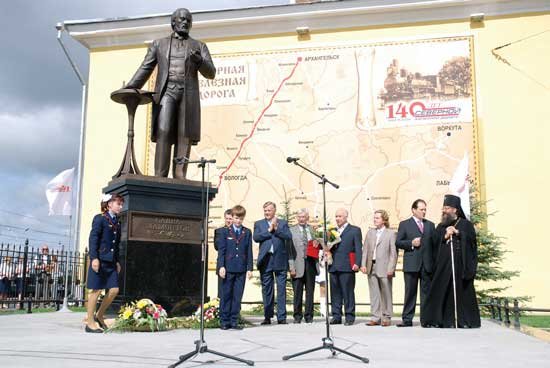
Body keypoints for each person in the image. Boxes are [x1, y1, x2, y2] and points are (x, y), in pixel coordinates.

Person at [125, 8, 216, 179]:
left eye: (188, 20)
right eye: (181, 19)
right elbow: (146, 67)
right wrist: (131, 87)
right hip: (166, 91)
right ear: (173, 22)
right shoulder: (159, 44)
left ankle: (180, 174)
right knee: (164, 129)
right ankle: (160, 175)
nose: (185, 23)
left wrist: (200, 61)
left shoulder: (199, 46)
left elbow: (211, 73)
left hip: (187, 93)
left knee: (184, 133)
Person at [421, 194, 480, 328]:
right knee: (441, 292)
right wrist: (445, 235)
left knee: (462, 293)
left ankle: (463, 320)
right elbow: (434, 241)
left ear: (455, 209)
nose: (444, 210)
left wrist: (458, 233)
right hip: (443, 267)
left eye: (447, 208)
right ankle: (439, 320)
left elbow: (471, 241)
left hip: (460, 267)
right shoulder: (441, 226)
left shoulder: (466, 224)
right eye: (443, 208)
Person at [85, 193, 124, 333]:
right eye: (118, 203)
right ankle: (89, 322)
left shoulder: (118, 222)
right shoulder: (100, 219)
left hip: (111, 262)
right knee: (95, 290)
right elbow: (93, 239)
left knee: (114, 290)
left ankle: (99, 315)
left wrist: (118, 261)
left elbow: (117, 243)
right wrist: (94, 257)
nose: (121, 206)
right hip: (100, 260)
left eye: (121, 204)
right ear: (109, 204)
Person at [395, 199, 436, 327]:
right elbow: (398, 242)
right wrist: (411, 243)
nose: (424, 211)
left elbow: (434, 244)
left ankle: (426, 320)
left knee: (426, 294)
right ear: (413, 210)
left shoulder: (430, 225)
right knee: (410, 293)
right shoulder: (404, 224)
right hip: (412, 264)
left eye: (425, 209)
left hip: (427, 264)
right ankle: (407, 319)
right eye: (421, 209)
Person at [253, 201, 292, 325]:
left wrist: (276, 229)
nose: (267, 213)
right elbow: (256, 237)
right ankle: (267, 316)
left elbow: (288, 236)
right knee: (267, 290)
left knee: (281, 289)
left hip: (280, 259)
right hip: (266, 260)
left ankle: (281, 317)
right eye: (265, 211)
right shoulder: (259, 223)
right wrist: (269, 231)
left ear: (274, 210)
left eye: (269, 210)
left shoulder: (283, 223)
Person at [216, 205, 253, 330]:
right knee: (226, 295)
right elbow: (222, 251)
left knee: (237, 296)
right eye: (236, 218)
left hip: (241, 268)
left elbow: (249, 251)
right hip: (228, 268)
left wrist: (249, 268)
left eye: (240, 218)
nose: (238, 221)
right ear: (232, 217)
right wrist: (221, 266)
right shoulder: (225, 232)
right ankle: (224, 320)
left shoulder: (247, 232)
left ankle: (234, 320)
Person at [361, 210, 397, 327]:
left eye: (377, 218)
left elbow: (393, 253)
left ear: (384, 220)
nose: (375, 220)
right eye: (374, 217)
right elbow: (365, 250)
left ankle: (386, 317)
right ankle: (375, 317)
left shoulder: (391, 233)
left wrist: (391, 268)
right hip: (372, 266)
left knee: (386, 293)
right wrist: (363, 265)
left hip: (385, 267)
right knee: (374, 293)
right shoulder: (370, 233)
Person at [329, 208, 362, 326]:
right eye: (336, 216)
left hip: (347, 266)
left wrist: (357, 263)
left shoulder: (354, 230)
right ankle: (336, 316)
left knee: (348, 293)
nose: (337, 219)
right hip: (333, 266)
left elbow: (358, 248)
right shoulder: (332, 231)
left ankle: (349, 316)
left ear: (346, 217)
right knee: (335, 293)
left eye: (340, 216)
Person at [289, 209, 319, 323]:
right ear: (297, 218)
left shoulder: (312, 230)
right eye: (299, 217)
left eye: (304, 217)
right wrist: (291, 266)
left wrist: (318, 243)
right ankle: (297, 316)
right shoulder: (291, 230)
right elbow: (289, 250)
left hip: (310, 263)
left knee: (310, 291)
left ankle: (309, 316)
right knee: (297, 292)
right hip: (297, 264)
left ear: (307, 218)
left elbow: (317, 245)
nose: (301, 219)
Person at [214, 209, 233, 298]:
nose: (228, 221)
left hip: (234, 264)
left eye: (230, 219)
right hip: (223, 263)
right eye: (227, 218)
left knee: (234, 291)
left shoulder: (238, 231)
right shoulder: (219, 231)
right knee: (222, 291)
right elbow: (217, 246)